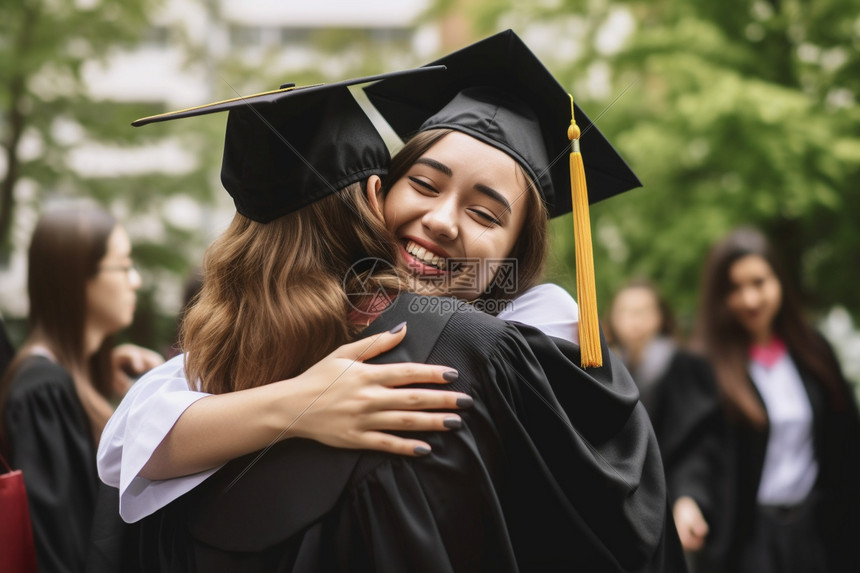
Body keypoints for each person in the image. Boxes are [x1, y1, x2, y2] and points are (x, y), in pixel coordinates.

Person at [104, 33, 684, 572]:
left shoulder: (528, 336)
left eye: (485, 214)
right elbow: (133, 435)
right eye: (425, 185)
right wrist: (300, 402)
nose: (440, 221)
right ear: (379, 190)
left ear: (516, 252)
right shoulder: (324, 311)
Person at [690, 226, 860, 573]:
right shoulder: (705, 367)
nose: (749, 299)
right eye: (735, 289)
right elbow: (695, 451)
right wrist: (687, 500)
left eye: (759, 283)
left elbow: (845, 442)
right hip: (749, 539)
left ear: (779, 281)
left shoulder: (813, 352)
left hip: (816, 533)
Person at [0, 205, 143, 572]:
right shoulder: (43, 390)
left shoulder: (66, 378)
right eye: (124, 266)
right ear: (78, 278)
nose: (136, 280)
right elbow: (62, 551)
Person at [607, 279, 725, 562]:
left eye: (645, 310)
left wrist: (689, 496)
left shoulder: (681, 366)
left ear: (661, 316)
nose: (636, 320)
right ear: (612, 318)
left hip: (669, 503)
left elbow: (696, 444)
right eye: (627, 311)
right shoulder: (602, 368)